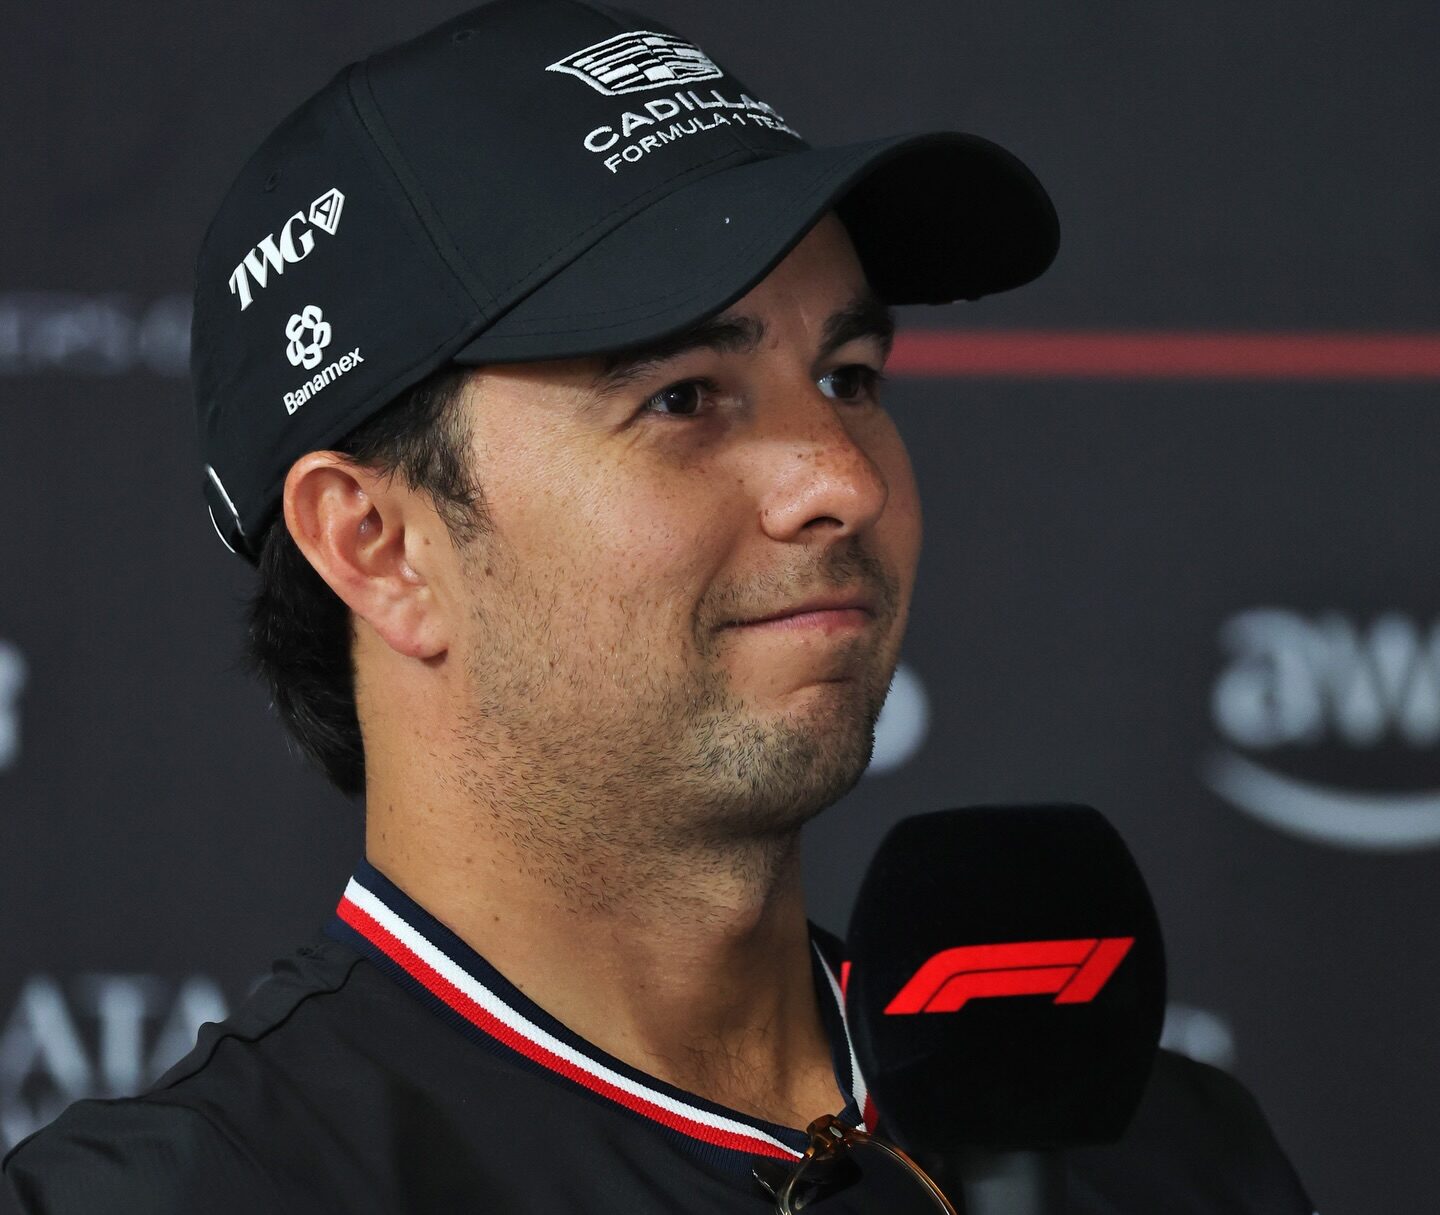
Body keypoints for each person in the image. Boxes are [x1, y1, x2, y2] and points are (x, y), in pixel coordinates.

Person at [3, 2, 1315, 1211]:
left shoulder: (1157, 1151)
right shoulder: (191, 1197)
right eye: (683, 398)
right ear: (380, 546)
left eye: (851, 376)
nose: (843, 480)